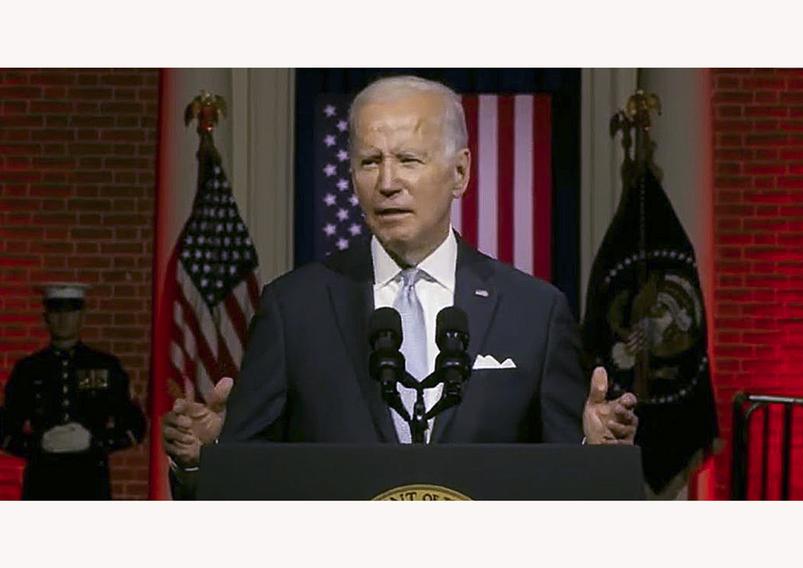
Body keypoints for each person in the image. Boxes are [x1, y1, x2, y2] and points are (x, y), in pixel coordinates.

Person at [163, 76, 638, 493]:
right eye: (369, 162)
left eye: (408, 160)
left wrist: (592, 452)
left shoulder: (534, 311)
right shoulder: (294, 307)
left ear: (460, 172)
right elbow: (246, 484)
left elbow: (565, 484)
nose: (387, 182)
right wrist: (207, 458)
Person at [1, 283, 146, 500]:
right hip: (42, 480)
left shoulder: (105, 366)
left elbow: (135, 426)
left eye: (70, 311)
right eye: (56, 311)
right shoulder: (29, 369)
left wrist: (94, 441)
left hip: (90, 480)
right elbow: (5, 429)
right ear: (46, 317)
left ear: (82, 316)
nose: (63, 319)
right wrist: (38, 444)